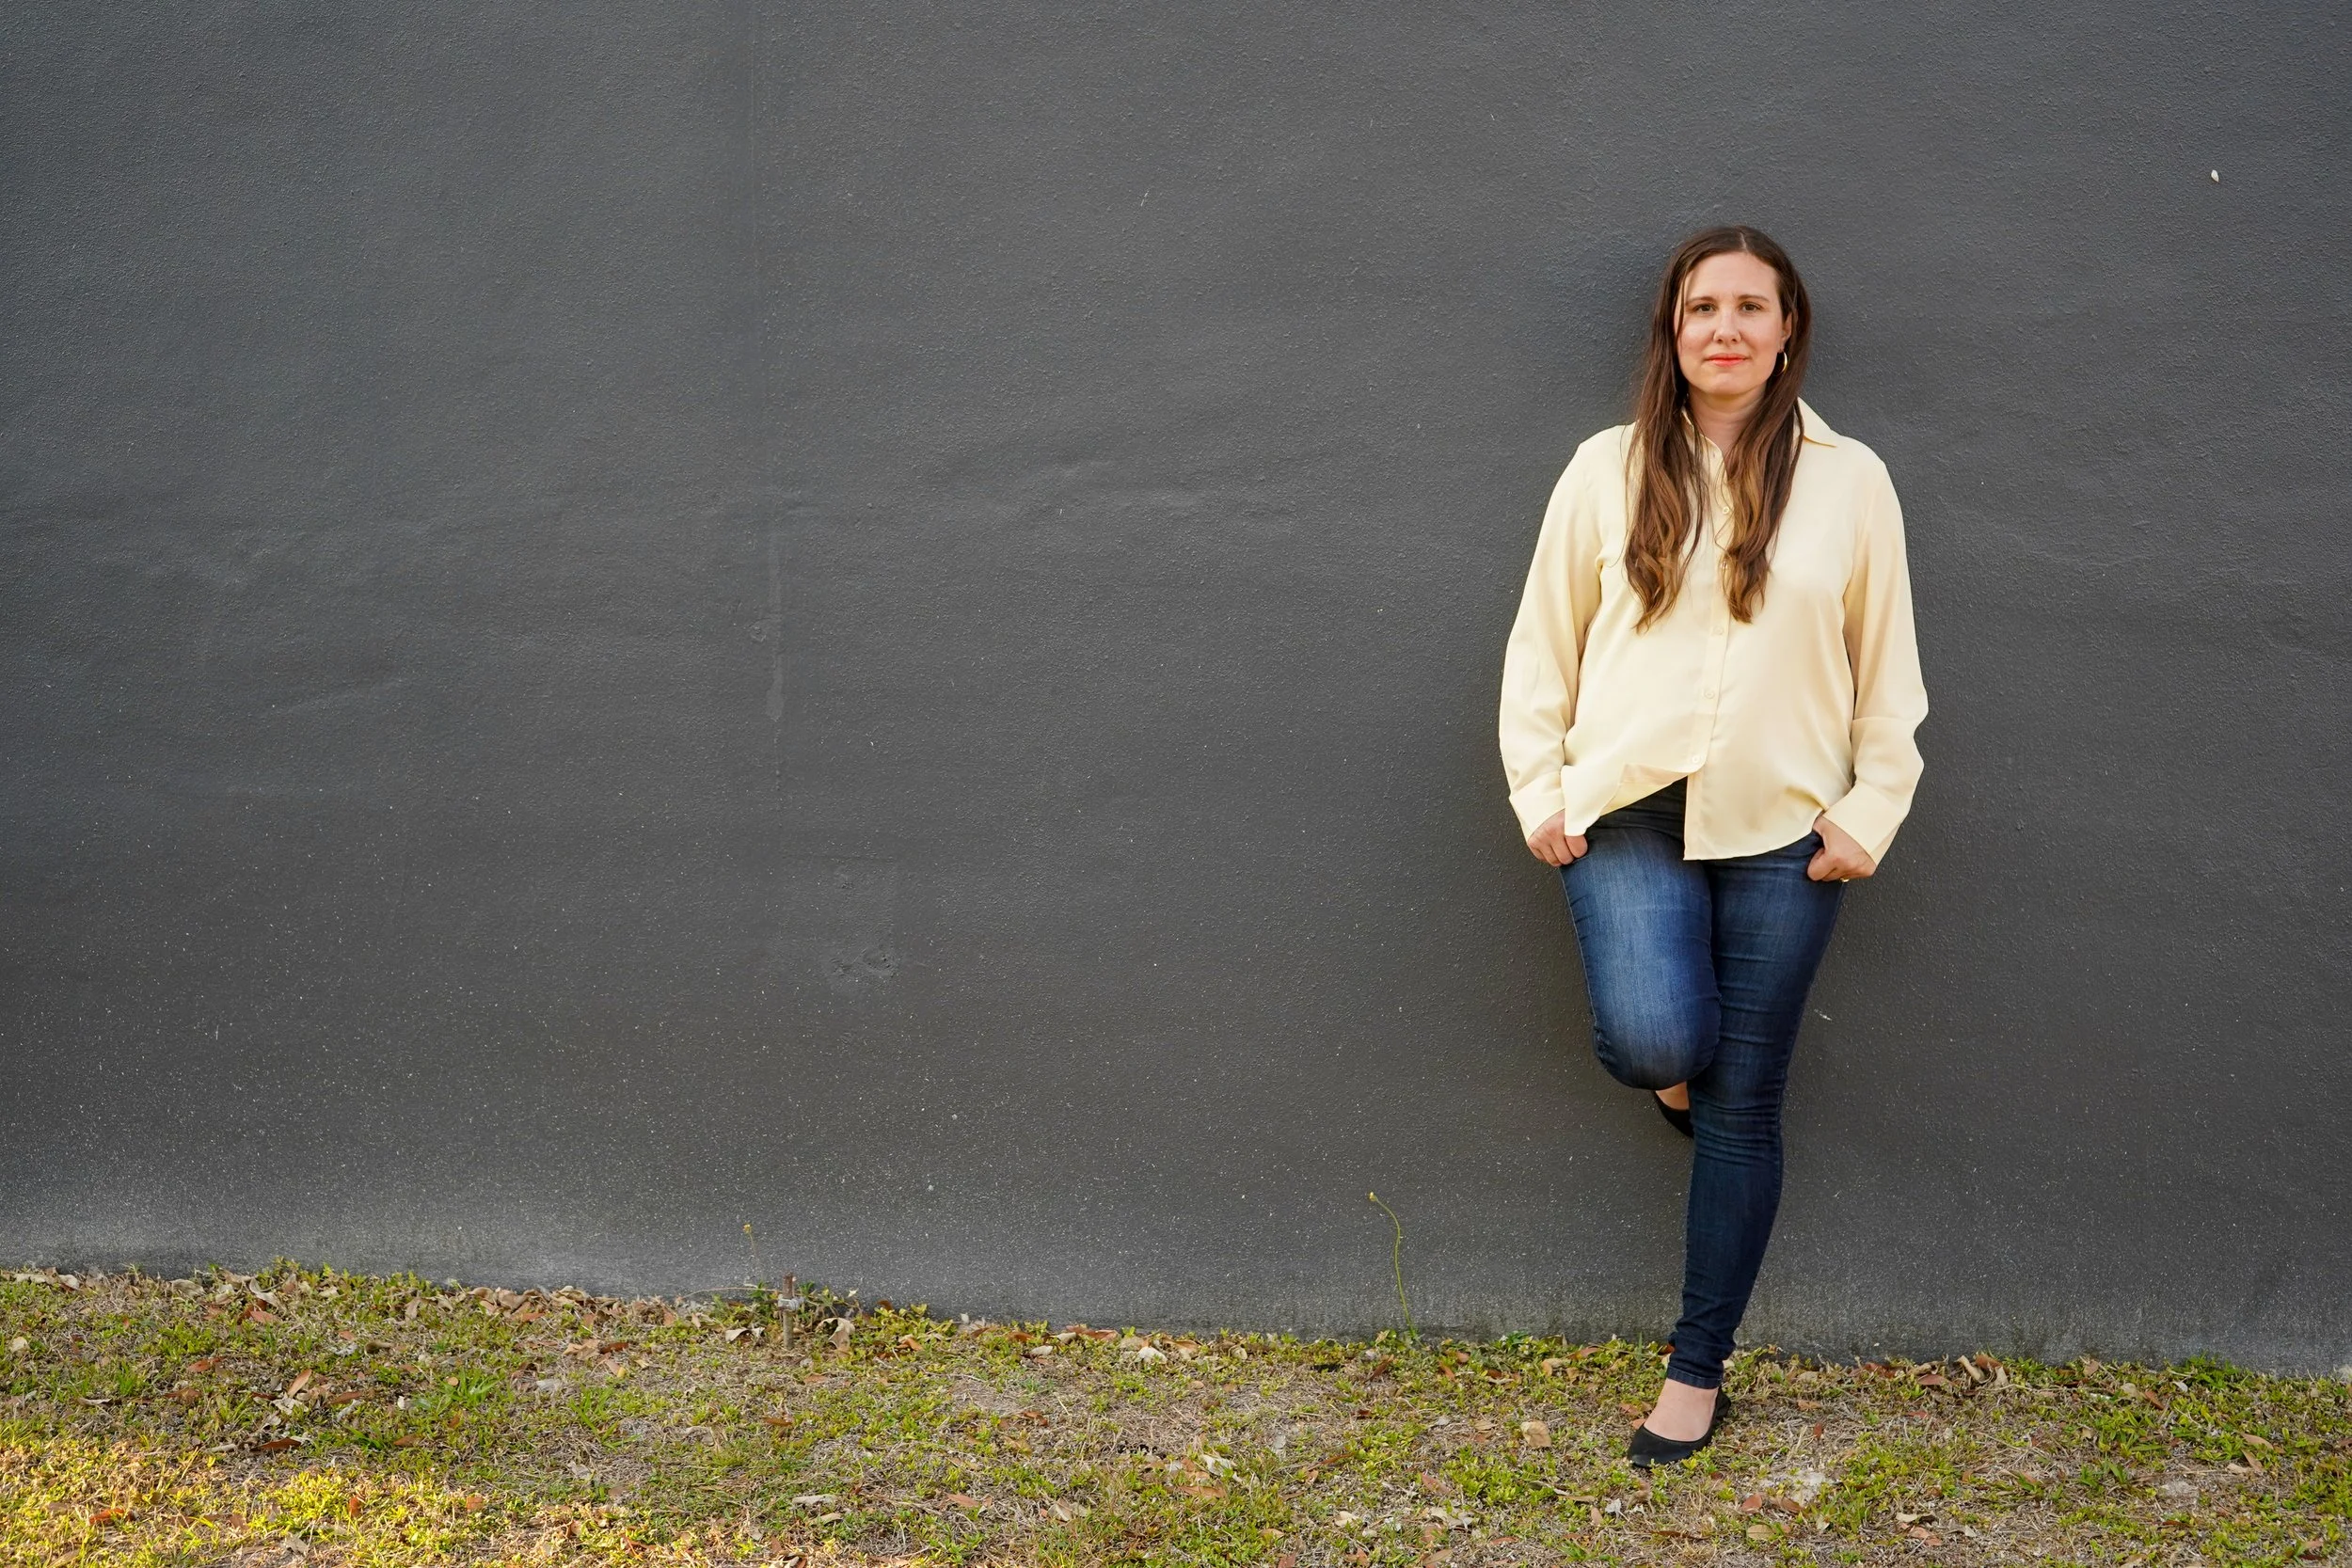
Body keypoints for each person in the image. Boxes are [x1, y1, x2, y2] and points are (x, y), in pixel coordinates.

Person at [1497, 225, 1928, 1466]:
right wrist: (1540, 790)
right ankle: (1679, 1082)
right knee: (1658, 1041)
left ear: (1787, 331)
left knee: (1747, 1108)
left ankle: (1696, 1372)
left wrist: (1868, 811)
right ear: (1672, 330)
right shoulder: (1607, 468)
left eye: (1751, 306)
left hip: (1787, 829)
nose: (1725, 328)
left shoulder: (1852, 482)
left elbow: (1888, 668)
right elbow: (1543, 644)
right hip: (1628, 810)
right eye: (1703, 307)